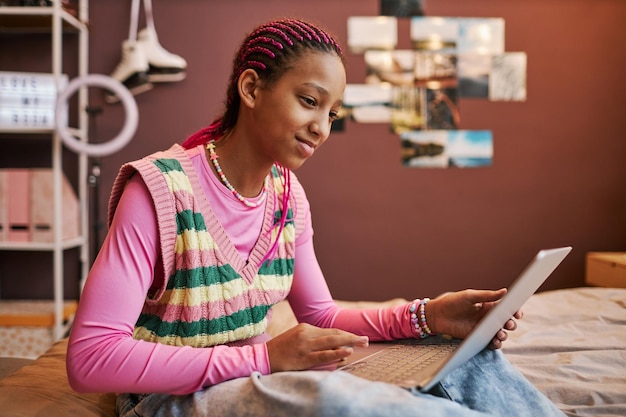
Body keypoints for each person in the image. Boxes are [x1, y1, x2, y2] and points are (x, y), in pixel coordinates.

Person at [66, 18, 565, 417]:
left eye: (332, 114)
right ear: (251, 87)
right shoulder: (156, 190)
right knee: (336, 400)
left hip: (258, 374)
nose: (322, 128)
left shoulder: (288, 197)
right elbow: (91, 359)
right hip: (164, 397)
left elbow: (320, 315)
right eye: (310, 102)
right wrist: (262, 357)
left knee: (466, 361)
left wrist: (427, 316)